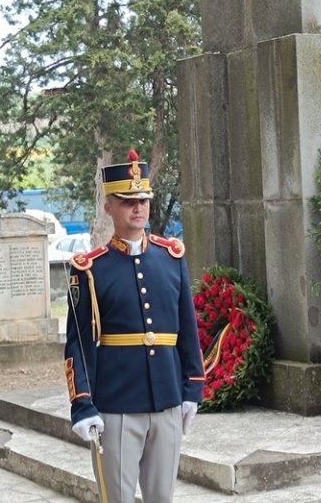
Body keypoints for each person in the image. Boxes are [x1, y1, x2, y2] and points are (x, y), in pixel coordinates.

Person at [63, 149, 205, 502]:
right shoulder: (89, 269)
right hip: (116, 404)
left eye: (143, 200)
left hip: (168, 400)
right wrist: (82, 403)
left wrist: (193, 389)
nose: (138, 208)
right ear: (108, 206)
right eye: (127, 201)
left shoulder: (171, 258)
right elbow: (77, 344)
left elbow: (188, 330)